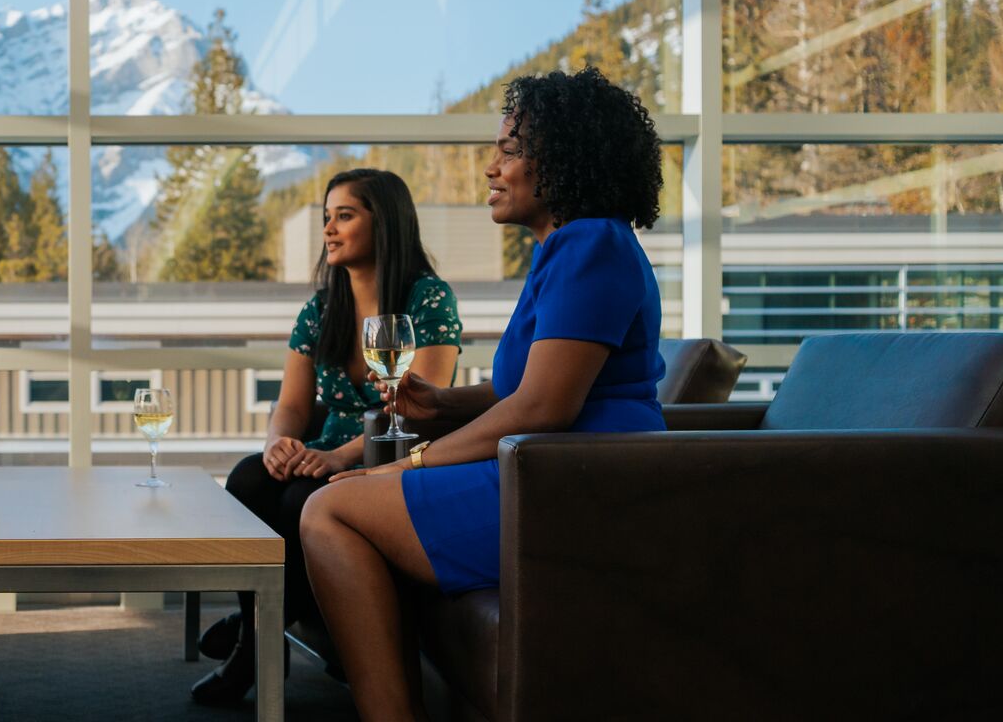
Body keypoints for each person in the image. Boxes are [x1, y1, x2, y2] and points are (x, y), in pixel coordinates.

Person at [300, 66, 667, 720]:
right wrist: (440, 406)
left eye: (509, 149)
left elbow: (545, 407)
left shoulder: (591, 244)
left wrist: (412, 461)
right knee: (343, 498)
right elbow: (524, 388)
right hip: (557, 470)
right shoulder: (569, 248)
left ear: (564, 159)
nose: (491, 168)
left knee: (330, 510)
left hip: (573, 488)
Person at [190, 168, 462, 705]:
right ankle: (265, 625)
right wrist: (279, 443)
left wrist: (340, 457)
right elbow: (291, 405)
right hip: (327, 453)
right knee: (250, 477)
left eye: (345, 215)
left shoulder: (428, 298)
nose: (330, 230)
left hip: (391, 456)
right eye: (326, 218)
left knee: (299, 496)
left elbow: (422, 411)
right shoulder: (320, 309)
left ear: (383, 223)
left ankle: (254, 640)